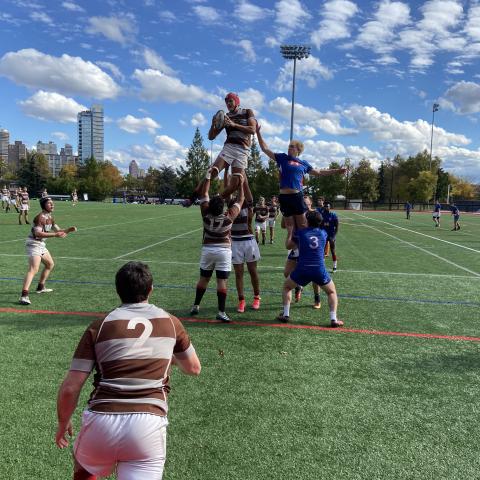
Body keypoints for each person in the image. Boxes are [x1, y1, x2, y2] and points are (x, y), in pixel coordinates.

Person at [55, 261, 201, 480]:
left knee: (84, 468)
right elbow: (193, 368)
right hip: (148, 423)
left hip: (102, 419)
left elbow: (70, 387)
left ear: (118, 290)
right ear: (150, 289)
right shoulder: (171, 323)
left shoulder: (100, 325)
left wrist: (63, 422)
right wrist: (165, 358)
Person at [255, 124, 346, 230]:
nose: (289, 148)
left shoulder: (303, 164)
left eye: (292, 146)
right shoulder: (282, 158)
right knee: (289, 227)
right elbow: (265, 149)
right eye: (289, 146)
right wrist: (258, 132)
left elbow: (320, 172)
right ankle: (293, 247)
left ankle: (304, 244)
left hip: (297, 196)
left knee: (302, 225)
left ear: (298, 150)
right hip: (284, 197)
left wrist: (337, 171)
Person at [184, 92, 256, 208]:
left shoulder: (247, 112)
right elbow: (211, 137)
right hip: (229, 147)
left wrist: (233, 125)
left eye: (230, 101)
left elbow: (252, 129)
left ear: (237, 101)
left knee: (236, 182)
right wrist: (213, 125)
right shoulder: (225, 117)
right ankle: (192, 197)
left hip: (243, 150)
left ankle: (217, 201)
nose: (228, 104)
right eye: (226, 102)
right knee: (212, 171)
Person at [189, 174, 244, 322]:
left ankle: (195, 305)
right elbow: (240, 200)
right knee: (221, 281)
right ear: (222, 207)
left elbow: (204, 194)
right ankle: (221, 312)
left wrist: (208, 177)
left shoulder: (205, 214)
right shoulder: (229, 217)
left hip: (208, 250)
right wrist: (242, 184)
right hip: (224, 251)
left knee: (204, 279)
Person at [277, 210, 343, 327]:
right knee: (331, 292)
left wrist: (290, 232)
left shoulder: (301, 233)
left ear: (307, 221)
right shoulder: (323, 233)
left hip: (303, 269)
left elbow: (288, 245)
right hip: (319, 269)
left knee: (287, 287)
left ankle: (286, 314)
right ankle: (333, 319)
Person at [19, 197, 76, 305]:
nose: (52, 205)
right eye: (50, 204)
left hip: (41, 244)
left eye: (52, 203)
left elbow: (58, 231)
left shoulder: (50, 217)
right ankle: (24, 296)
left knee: (50, 264)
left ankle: (40, 287)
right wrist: (55, 234)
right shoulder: (40, 218)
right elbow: (38, 234)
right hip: (33, 244)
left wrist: (68, 230)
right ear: (44, 205)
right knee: (33, 269)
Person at [226, 168, 261, 313]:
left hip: (249, 241)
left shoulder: (247, 203)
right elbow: (226, 188)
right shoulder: (231, 205)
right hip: (235, 242)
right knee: (239, 273)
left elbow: (246, 188)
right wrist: (227, 169)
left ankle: (257, 296)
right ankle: (241, 300)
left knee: (253, 271)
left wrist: (242, 173)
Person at [283, 195, 321, 308]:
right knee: (287, 273)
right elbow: (283, 225)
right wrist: (287, 214)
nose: (305, 206)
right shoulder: (296, 213)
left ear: (310, 204)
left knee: (315, 275)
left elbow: (319, 231)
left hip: (310, 248)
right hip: (296, 245)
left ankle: (317, 299)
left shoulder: (314, 215)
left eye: (307, 204)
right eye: (303, 204)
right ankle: (298, 285)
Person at [323, 202, 339, 272]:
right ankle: (322, 266)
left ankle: (335, 266)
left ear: (330, 207)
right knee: (322, 251)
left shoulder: (333, 215)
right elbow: (320, 225)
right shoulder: (322, 214)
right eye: (325, 206)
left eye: (327, 206)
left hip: (331, 235)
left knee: (332, 251)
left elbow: (337, 226)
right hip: (324, 235)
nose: (326, 207)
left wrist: (334, 236)